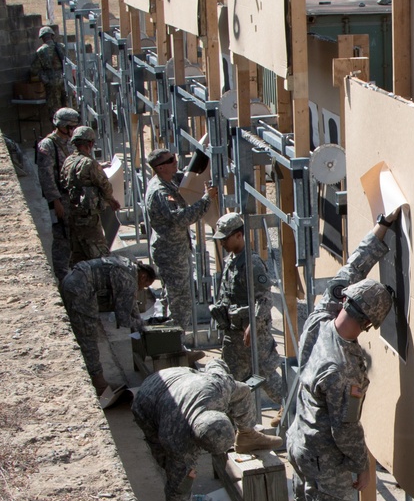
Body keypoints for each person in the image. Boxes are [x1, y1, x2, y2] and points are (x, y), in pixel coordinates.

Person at [286, 217, 397, 501]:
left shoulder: (320, 317)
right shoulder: (343, 369)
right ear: (370, 325)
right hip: (324, 454)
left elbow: (350, 270)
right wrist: (361, 466)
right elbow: (345, 431)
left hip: (300, 440)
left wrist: (380, 231)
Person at [131, 359, 275, 501]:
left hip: (181, 378)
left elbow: (218, 364)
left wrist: (245, 428)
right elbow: (177, 492)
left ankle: (248, 435)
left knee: (241, 390)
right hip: (148, 401)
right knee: (178, 477)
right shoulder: (175, 439)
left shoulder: (219, 387)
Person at [208, 212, 284, 403]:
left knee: (266, 376)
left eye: (225, 238)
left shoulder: (252, 263)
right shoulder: (231, 260)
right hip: (234, 336)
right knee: (235, 382)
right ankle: (243, 425)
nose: (222, 243)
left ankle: (289, 408)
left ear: (239, 236)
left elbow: (265, 299)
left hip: (252, 334)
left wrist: (253, 324)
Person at [60, 255, 157, 397]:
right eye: (145, 286)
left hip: (73, 280)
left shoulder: (128, 266)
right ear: (143, 276)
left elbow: (131, 306)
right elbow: (123, 318)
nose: (142, 290)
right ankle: (98, 383)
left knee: (82, 332)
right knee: (88, 337)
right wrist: (142, 325)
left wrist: (139, 322)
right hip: (80, 289)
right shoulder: (129, 280)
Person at [143, 147, 211, 349]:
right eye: (171, 160)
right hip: (171, 254)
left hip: (171, 250)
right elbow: (180, 218)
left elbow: (184, 179)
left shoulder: (166, 181)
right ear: (161, 167)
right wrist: (207, 200)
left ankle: (169, 342)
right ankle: (176, 347)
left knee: (171, 298)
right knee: (179, 303)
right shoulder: (160, 191)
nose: (176, 162)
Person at [62, 124, 121, 265]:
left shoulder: (68, 161)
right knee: (100, 255)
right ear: (90, 143)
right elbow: (104, 185)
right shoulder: (89, 163)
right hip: (89, 216)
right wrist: (112, 201)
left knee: (78, 254)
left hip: (73, 214)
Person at [35, 107, 80, 281]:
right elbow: (46, 176)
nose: (71, 131)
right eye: (69, 127)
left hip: (72, 196)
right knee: (62, 236)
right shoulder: (48, 145)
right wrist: (55, 201)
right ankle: (62, 275)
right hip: (60, 198)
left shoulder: (70, 142)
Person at [32, 25, 66, 122]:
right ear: (52, 35)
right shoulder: (61, 47)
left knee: (55, 111)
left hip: (51, 81)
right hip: (65, 79)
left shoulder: (41, 51)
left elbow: (34, 69)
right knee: (68, 107)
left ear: (42, 38)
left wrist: (43, 77)